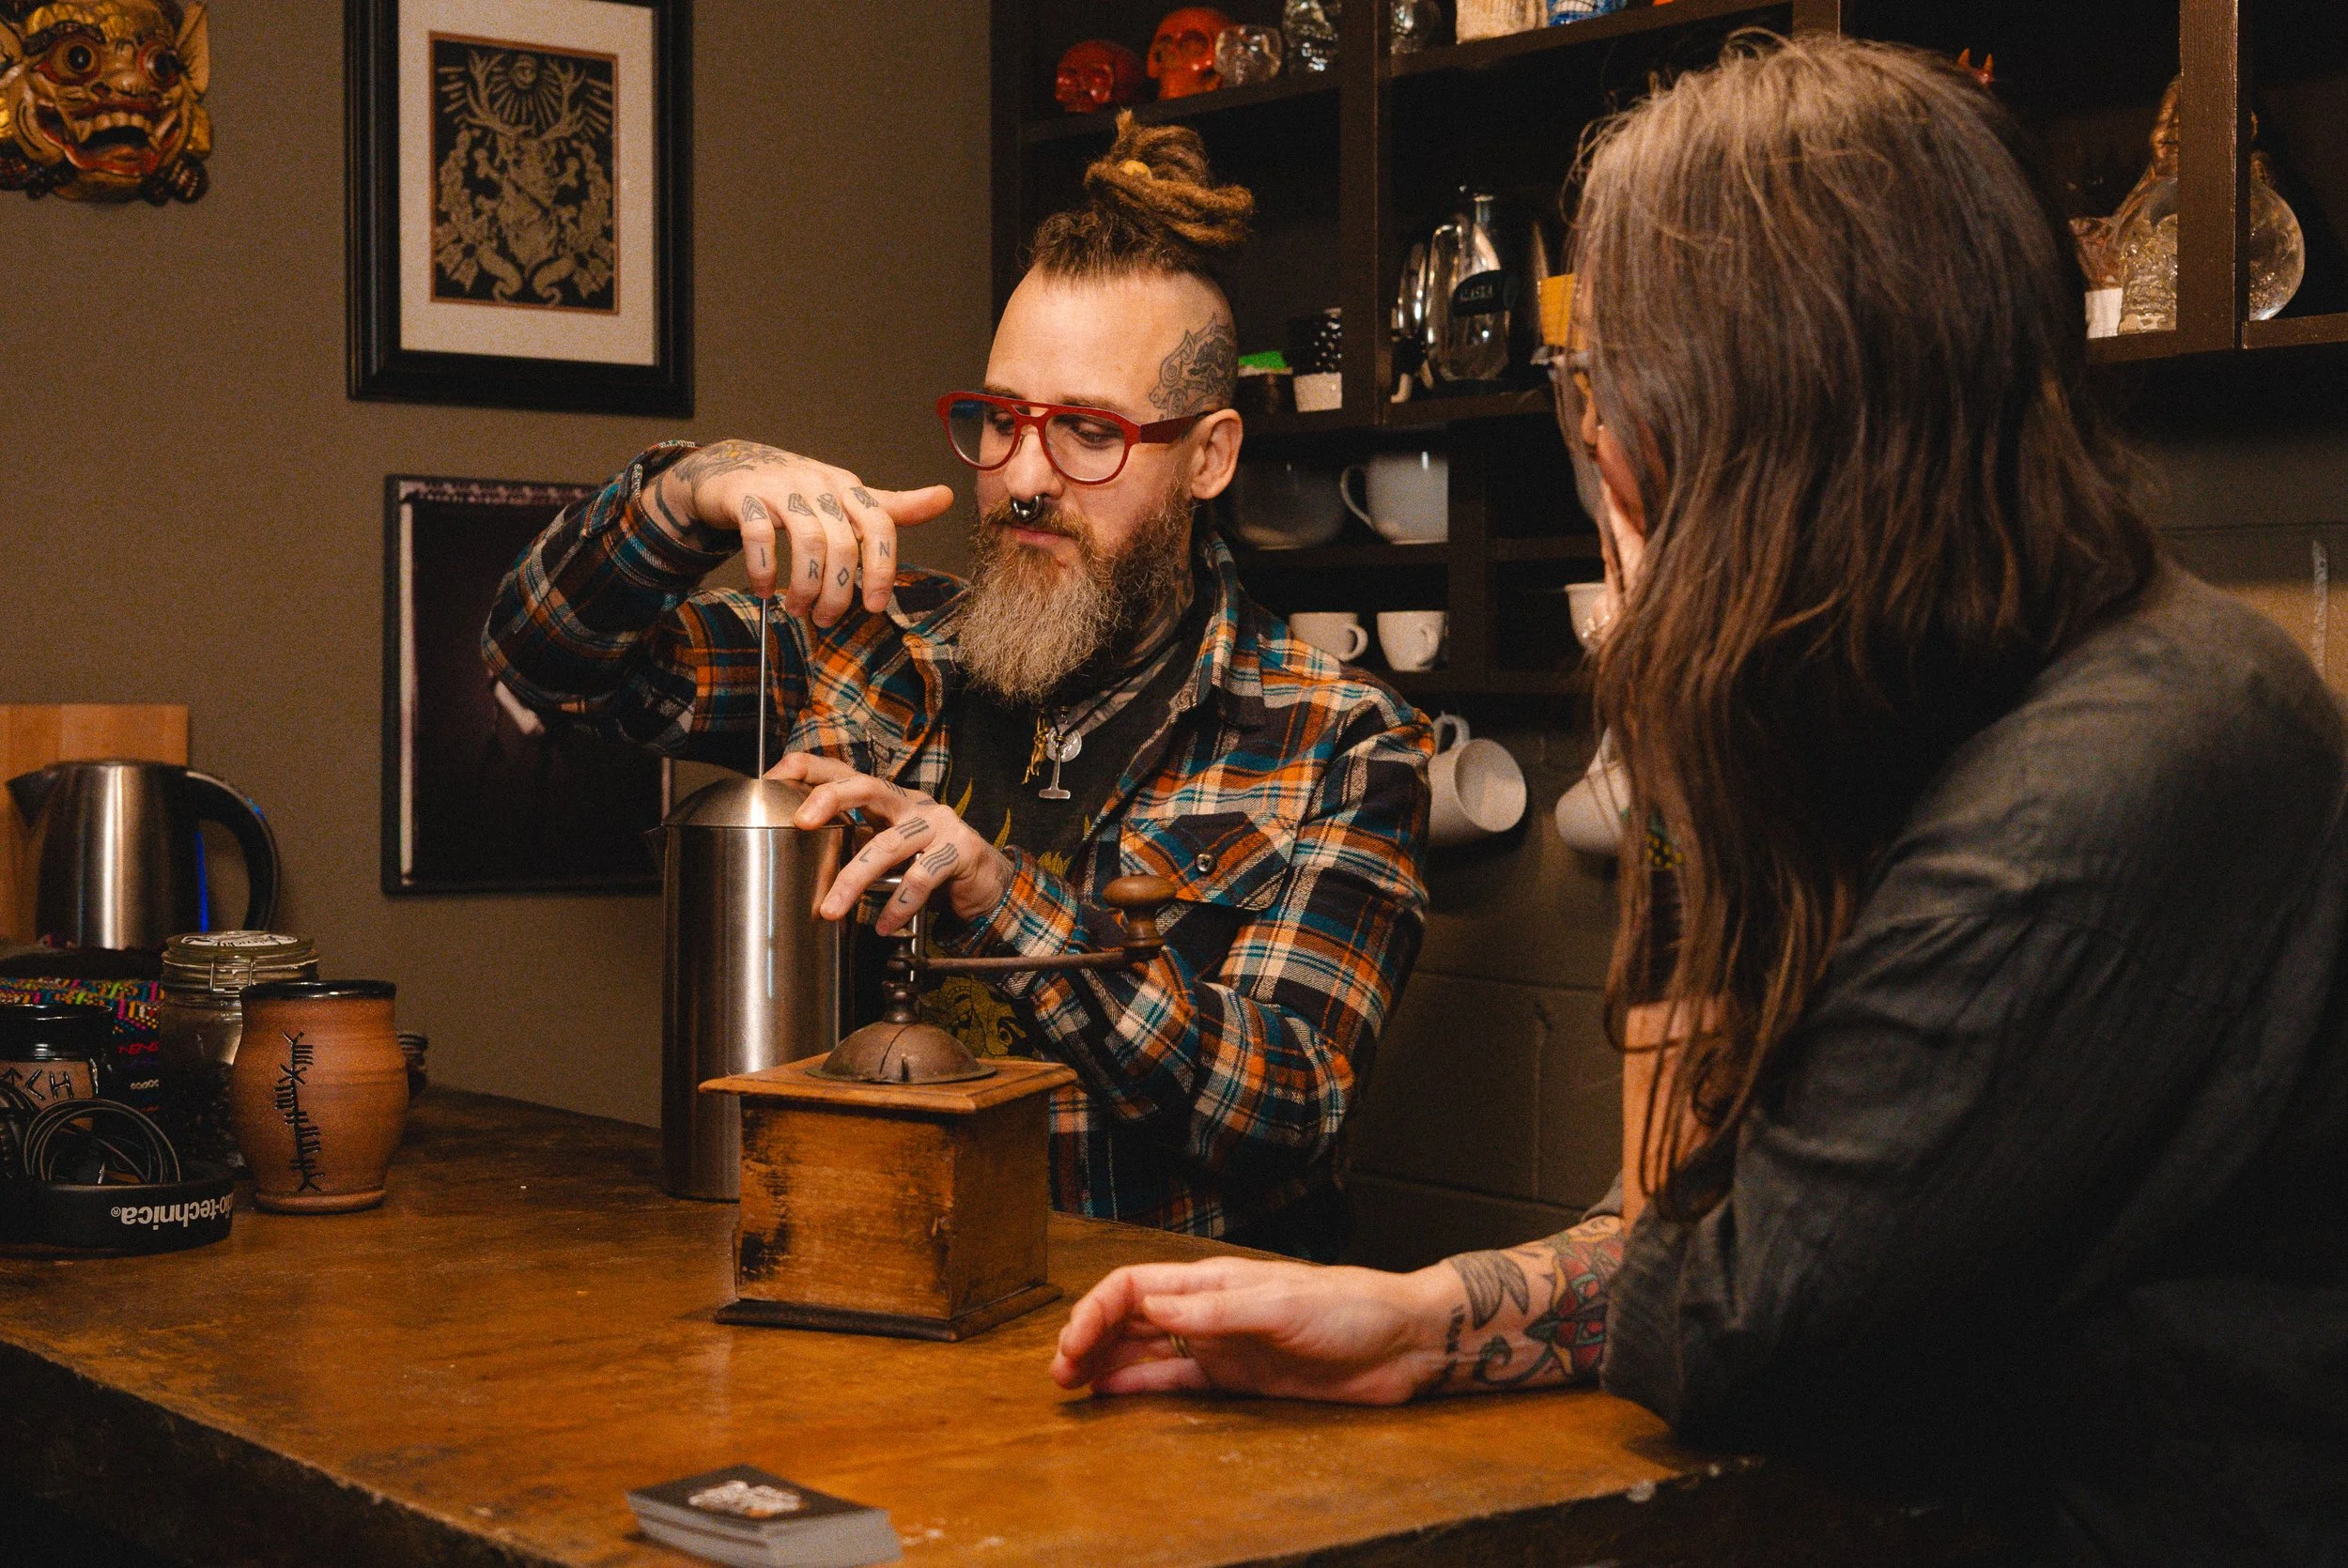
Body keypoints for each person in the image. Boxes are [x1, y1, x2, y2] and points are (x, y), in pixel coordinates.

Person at [1051, 38, 2348, 1566]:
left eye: (1615, 376)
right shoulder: (1947, 691)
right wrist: (1421, 1320)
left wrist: (1669, 702)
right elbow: (1701, 1223)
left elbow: (1745, 1322)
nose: (1593, 432)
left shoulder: (2113, 773)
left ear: (1766, 418)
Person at [483, 115, 1432, 1260]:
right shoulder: (872, 646)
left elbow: (1285, 1104)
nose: (1023, 477)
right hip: (855, 1298)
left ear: (1211, 456)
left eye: (1088, 432)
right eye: (1001, 420)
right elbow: (544, 656)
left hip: (1153, 1369)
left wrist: (997, 892)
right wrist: (686, 493)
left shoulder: (1341, 740)